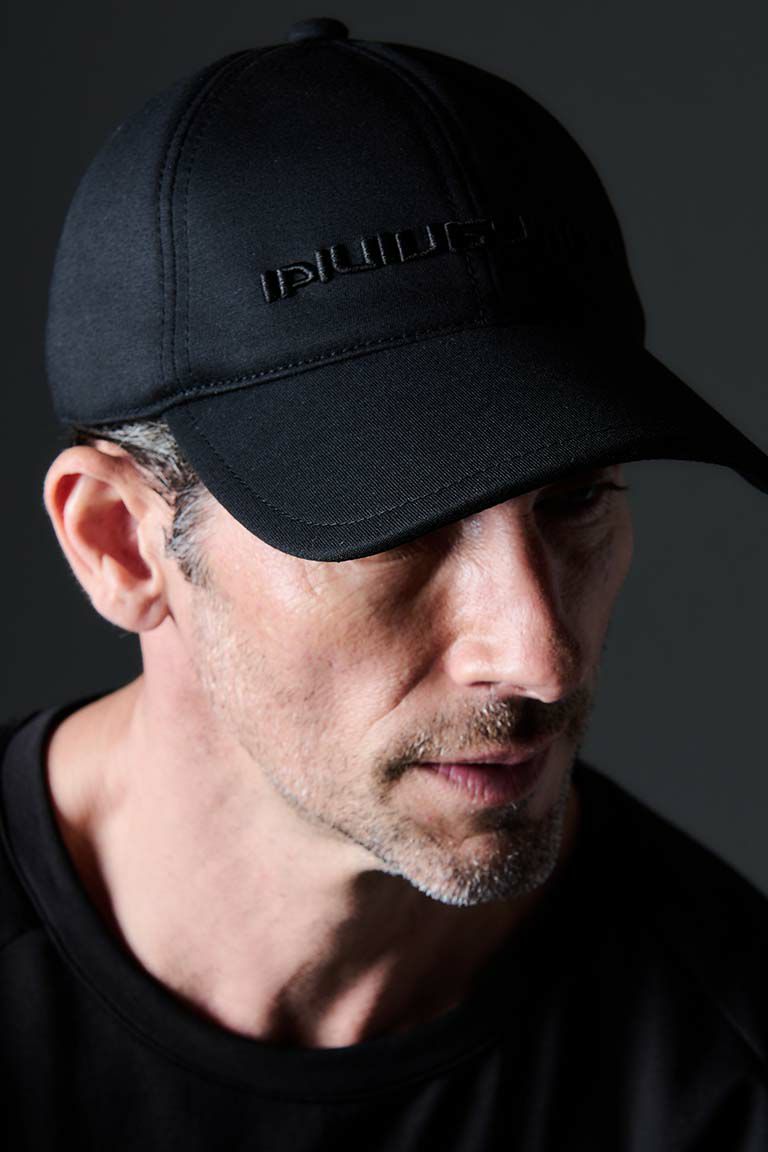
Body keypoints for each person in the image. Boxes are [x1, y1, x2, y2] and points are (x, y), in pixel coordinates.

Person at [2, 16, 767, 1151]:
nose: (541, 656)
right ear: (120, 544)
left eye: (575, 500)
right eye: (396, 524)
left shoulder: (723, 1068)